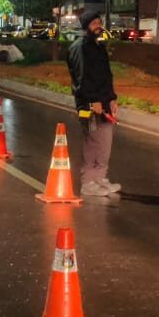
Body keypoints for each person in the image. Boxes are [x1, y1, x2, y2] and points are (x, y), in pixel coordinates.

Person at [66, 11, 121, 197]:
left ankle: (100, 178)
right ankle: (88, 182)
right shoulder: (80, 47)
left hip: (104, 102)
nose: (98, 25)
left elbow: (106, 76)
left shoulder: (97, 46)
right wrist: (92, 101)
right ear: (85, 26)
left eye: (99, 22)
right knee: (93, 142)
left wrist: (112, 98)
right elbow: (82, 78)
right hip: (89, 104)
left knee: (105, 143)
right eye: (94, 23)